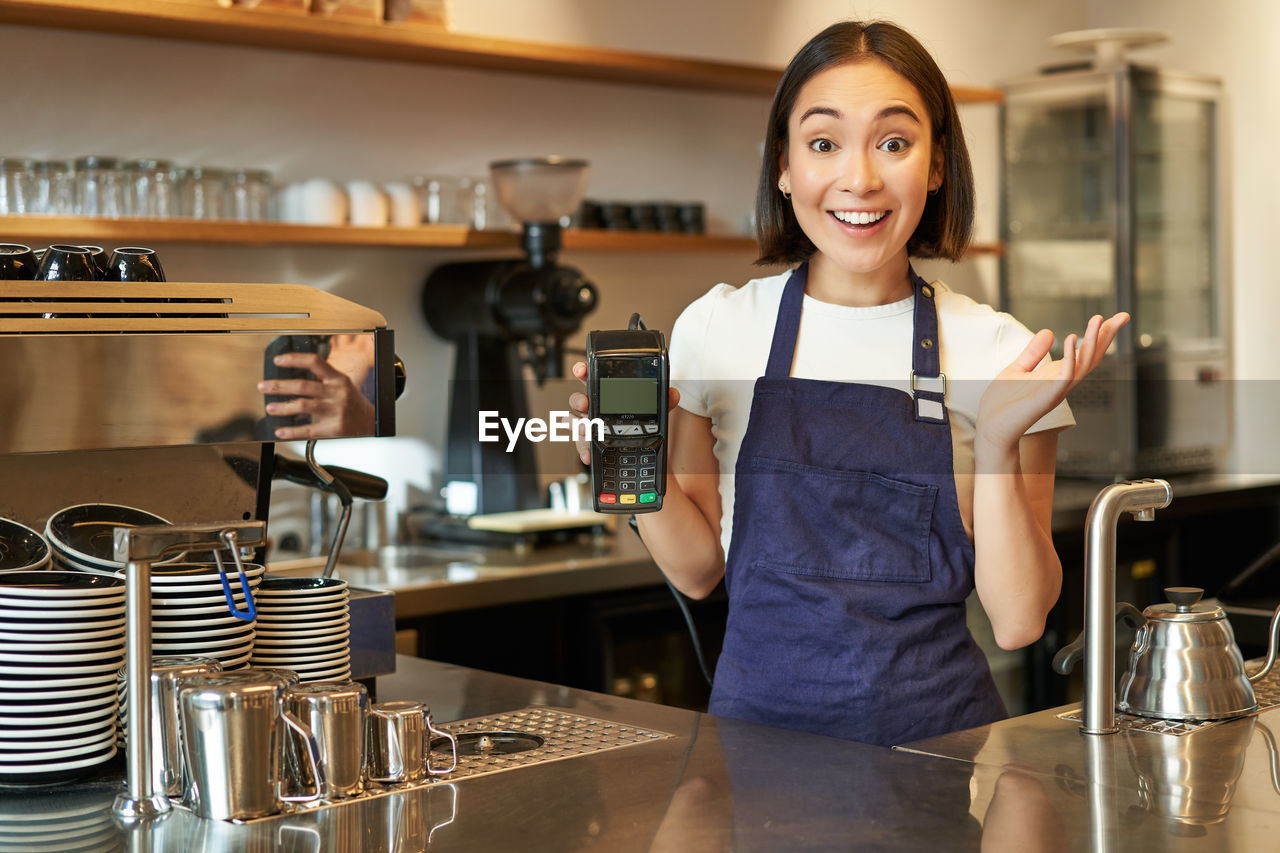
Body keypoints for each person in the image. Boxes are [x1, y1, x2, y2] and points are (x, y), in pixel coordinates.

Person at [569, 20, 1128, 747]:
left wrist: (996, 437)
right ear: (783, 165)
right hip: (755, 758)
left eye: (894, 142)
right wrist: (628, 472)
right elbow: (700, 568)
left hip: (935, 758)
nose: (859, 179)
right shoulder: (716, 328)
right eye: (823, 143)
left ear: (935, 165)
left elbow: (1020, 619)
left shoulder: (1002, 352)